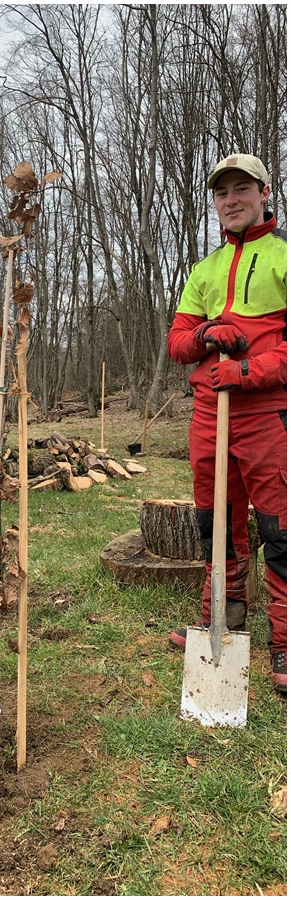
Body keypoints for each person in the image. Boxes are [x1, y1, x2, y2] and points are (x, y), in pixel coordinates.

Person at [166, 152, 286, 695]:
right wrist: (207, 336)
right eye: (221, 192)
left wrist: (248, 370)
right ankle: (224, 613)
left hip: (268, 415)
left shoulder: (283, 257)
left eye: (241, 189)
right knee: (215, 522)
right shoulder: (204, 270)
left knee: (279, 529)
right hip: (209, 415)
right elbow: (177, 344)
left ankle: (285, 641)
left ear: (264, 193)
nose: (230, 200)